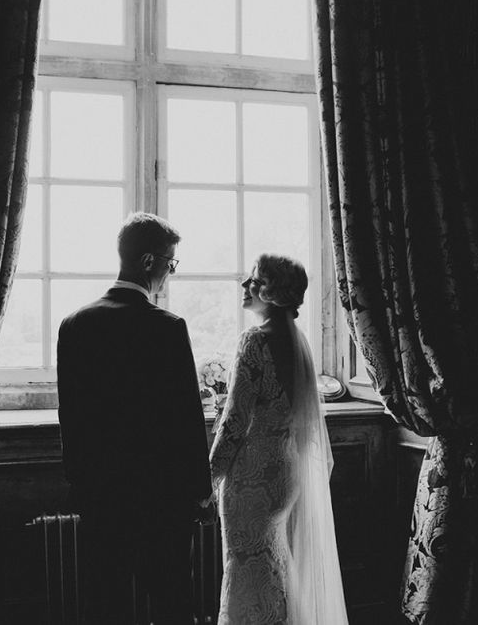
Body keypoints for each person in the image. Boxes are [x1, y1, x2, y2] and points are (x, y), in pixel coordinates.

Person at [57, 212, 213, 625]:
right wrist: (200, 490)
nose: (170, 273)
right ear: (148, 262)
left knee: (105, 605)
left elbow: (70, 419)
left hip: (101, 496)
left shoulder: (74, 325)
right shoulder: (168, 328)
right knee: (172, 603)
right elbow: (186, 418)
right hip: (162, 497)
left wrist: (82, 486)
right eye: (170, 263)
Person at [210, 253, 349, 624]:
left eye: (253, 279)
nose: (245, 285)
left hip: (252, 476)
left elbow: (235, 422)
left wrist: (208, 475)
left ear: (271, 292)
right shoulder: (297, 341)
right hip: (284, 472)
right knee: (271, 561)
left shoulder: (254, 340)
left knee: (244, 563)